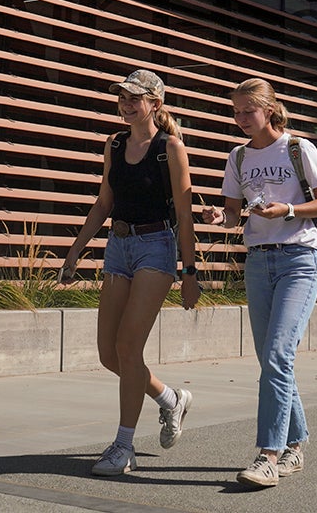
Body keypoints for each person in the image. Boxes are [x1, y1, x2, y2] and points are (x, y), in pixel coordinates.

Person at [58, 70, 201, 477]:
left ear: (154, 104)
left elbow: (186, 212)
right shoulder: (115, 144)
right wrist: (75, 250)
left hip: (157, 247)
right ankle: (170, 398)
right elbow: (104, 202)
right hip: (118, 247)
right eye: (122, 98)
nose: (125, 104)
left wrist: (189, 271)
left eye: (134, 98)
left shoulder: (169, 147)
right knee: (109, 354)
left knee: (128, 347)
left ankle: (124, 446)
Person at [217, 78, 317, 489]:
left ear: (269, 109)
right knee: (271, 359)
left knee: (278, 354)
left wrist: (288, 209)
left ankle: (268, 455)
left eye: (247, 110)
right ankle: (295, 446)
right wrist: (224, 219)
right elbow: (234, 213)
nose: (240, 118)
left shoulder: (298, 149)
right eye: (235, 111)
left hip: (300, 258)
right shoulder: (237, 157)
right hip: (258, 262)